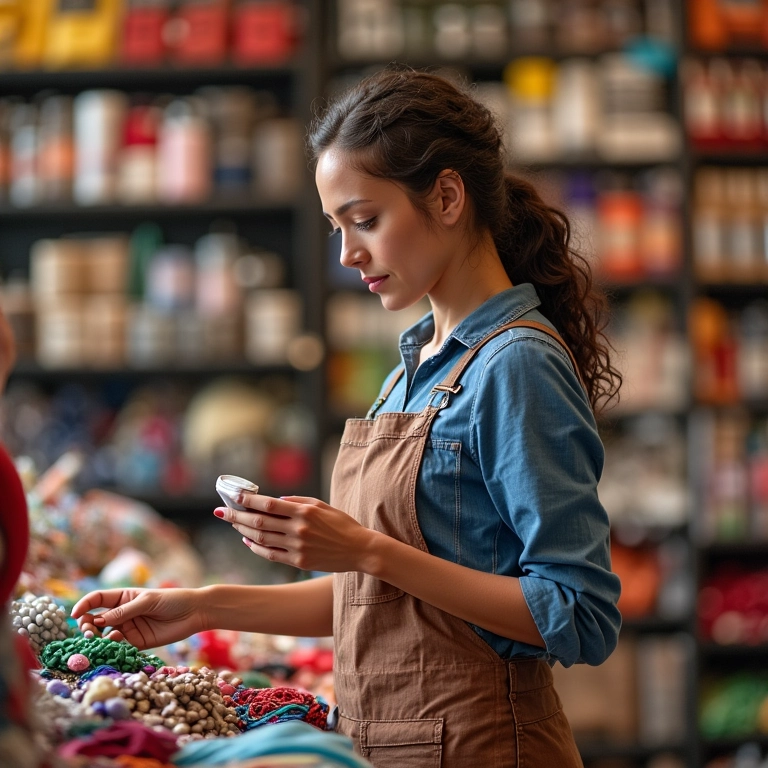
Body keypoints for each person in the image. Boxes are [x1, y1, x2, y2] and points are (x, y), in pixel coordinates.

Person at [73, 67, 622, 767]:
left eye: (365, 220)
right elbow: (377, 598)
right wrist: (202, 606)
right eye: (337, 227)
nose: (347, 253)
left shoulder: (515, 364)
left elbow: (578, 612)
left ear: (447, 196)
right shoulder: (409, 370)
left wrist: (365, 549)